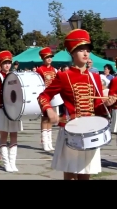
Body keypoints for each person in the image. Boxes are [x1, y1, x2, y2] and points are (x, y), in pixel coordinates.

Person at [38, 29, 115, 180]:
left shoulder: (95, 77)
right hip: (71, 129)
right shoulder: (63, 76)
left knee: (86, 174)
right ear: (72, 53)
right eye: (81, 50)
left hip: (90, 130)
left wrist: (109, 103)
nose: (86, 53)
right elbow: (43, 96)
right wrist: (49, 110)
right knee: (70, 174)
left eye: (87, 50)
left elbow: (98, 106)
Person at [0, 51, 23, 172]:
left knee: (14, 135)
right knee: (4, 135)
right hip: (2, 108)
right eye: (5, 63)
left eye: (9, 63)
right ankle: (6, 163)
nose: (7, 65)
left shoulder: (14, 76)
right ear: (0, 64)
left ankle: (13, 162)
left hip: (14, 109)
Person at [36, 47, 57, 151]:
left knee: (50, 118)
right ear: (43, 59)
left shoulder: (53, 69)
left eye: (50, 57)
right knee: (45, 118)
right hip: (44, 96)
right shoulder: (40, 69)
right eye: (47, 57)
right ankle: (44, 141)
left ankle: (50, 141)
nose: (49, 59)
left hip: (53, 96)